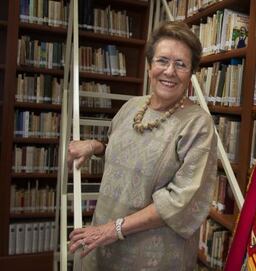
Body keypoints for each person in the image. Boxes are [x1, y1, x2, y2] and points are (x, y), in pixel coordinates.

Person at [67, 21, 217, 270]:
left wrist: (114, 229)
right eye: (162, 61)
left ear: (190, 73)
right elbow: (127, 153)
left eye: (180, 64)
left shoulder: (198, 124)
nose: (170, 71)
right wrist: (95, 146)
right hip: (102, 244)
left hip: (151, 259)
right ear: (149, 66)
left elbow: (180, 202)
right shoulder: (132, 107)